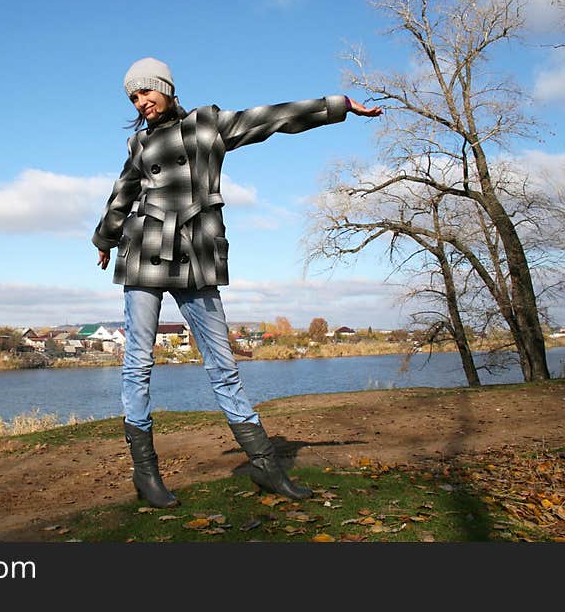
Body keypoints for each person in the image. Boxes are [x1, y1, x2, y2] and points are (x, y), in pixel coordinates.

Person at [92, 57, 382, 508]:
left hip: (196, 254)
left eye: (146, 91)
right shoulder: (139, 143)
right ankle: (145, 474)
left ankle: (265, 466)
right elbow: (122, 194)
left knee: (223, 366)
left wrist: (338, 105)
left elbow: (272, 118)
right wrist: (105, 238)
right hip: (144, 252)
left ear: (166, 88)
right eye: (133, 96)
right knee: (138, 363)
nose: (140, 101)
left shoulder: (208, 125)